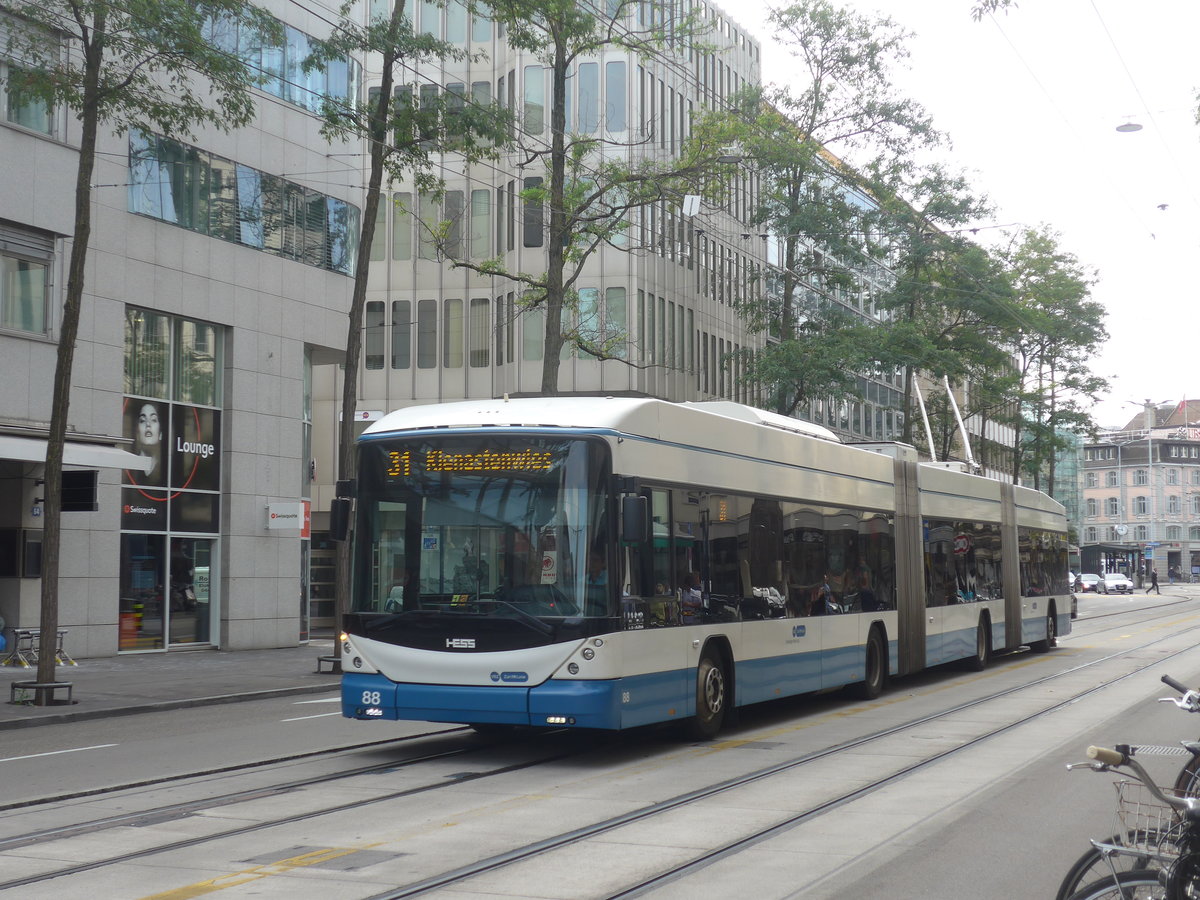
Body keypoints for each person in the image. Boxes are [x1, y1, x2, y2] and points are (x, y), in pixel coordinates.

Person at [130, 401, 165, 485]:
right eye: (142, 421)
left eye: (153, 420)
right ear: (137, 432)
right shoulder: (130, 468)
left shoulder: (167, 470)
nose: (148, 424)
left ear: (160, 433)